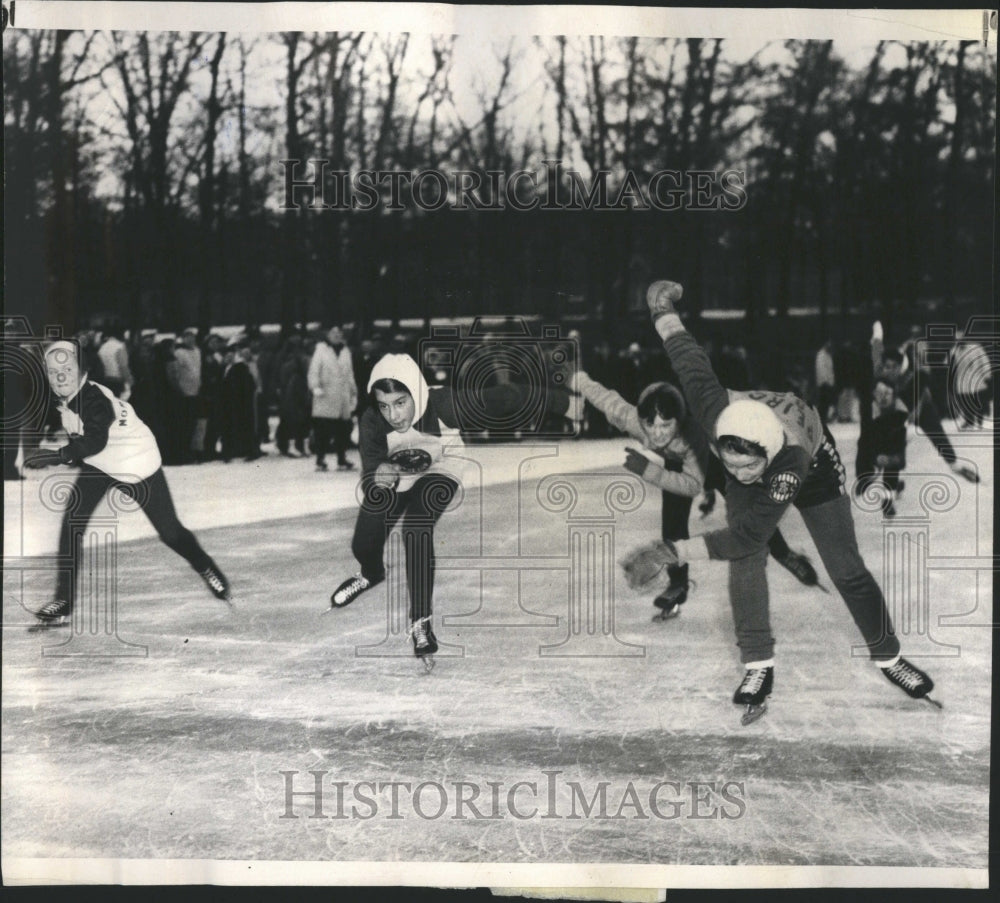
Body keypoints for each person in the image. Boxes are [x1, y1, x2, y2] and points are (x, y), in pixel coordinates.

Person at [635, 280, 941, 722]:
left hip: (813, 463)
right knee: (747, 562)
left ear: (767, 457)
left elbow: (744, 535)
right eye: (731, 465)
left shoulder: (790, 462)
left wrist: (671, 550)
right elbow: (686, 356)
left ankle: (889, 657)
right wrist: (661, 309)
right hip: (754, 440)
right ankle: (758, 665)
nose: (739, 477)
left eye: (747, 469)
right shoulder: (711, 407)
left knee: (845, 567)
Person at [328, 352, 581, 668]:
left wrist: (563, 403)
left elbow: (508, 397)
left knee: (416, 528)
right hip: (397, 475)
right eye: (384, 405)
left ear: (416, 393)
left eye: (401, 402)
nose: (393, 415)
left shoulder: (445, 404)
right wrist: (379, 478)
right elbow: (370, 474)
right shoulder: (371, 421)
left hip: (442, 467)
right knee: (363, 542)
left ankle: (421, 621)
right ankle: (371, 573)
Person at [569, 370, 821, 619]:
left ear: (679, 421)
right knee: (672, 524)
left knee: (748, 515)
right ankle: (678, 583)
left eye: (666, 425)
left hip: (717, 462)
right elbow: (605, 398)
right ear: (641, 420)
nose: (657, 434)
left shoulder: (692, 435)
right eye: (650, 425)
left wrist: (649, 470)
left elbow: (692, 484)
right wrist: (579, 379)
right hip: (678, 463)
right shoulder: (631, 419)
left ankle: (783, 552)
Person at [23, 340, 231, 629]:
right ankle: (63, 602)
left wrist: (54, 456)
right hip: (100, 464)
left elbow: (96, 440)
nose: (60, 376)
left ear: (81, 370)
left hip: (136, 462)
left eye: (66, 368)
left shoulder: (92, 399)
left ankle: (205, 565)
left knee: (170, 533)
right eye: (53, 370)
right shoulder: (63, 394)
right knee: (72, 525)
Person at [308, 326, 357, 472]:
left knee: (343, 430)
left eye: (339, 333)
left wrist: (353, 391)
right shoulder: (321, 350)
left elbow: (349, 374)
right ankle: (320, 460)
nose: (337, 335)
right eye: (333, 333)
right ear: (327, 334)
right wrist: (315, 387)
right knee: (323, 431)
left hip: (342, 397)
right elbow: (313, 370)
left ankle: (342, 459)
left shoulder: (345, 351)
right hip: (325, 397)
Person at [96, 322, 133, 399]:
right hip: (118, 382)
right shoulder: (119, 347)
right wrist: (130, 380)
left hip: (106, 381)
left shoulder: (102, 348)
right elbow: (123, 366)